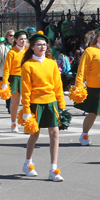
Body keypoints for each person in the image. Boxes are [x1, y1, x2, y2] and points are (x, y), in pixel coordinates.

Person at [20, 33, 66, 182]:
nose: (42, 47)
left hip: (51, 102)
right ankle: (28, 163)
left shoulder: (52, 63)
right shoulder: (27, 65)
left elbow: (58, 85)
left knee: (54, 133)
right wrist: (26, 110)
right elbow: (25, 89)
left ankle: (53, 169)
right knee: (35, 135)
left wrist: (62, 105)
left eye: (44, 45)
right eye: (39, 44)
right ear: (32, 47)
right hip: (35, 103)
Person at [1, 30, 28, 132]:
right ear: (15, 40)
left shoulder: (28, 51)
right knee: (15, 103)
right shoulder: (12, 52)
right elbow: (7, 68)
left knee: (27, 102)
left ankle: (27, 124)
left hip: (26, 78)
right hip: (15, 78)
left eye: (25, 39)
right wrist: (5, 82)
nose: (23, 41)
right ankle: (13, 123)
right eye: (21, 39)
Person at [0, 29, 14, 110]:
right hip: (4, 72)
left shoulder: (17, 46)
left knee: (14, 91)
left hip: (15, 72)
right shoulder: (2, 47)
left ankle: (12, 106)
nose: (12, 37)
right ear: (7, 37)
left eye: (13, 35)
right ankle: (9, 106)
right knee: (7, 91)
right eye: (10, 35)